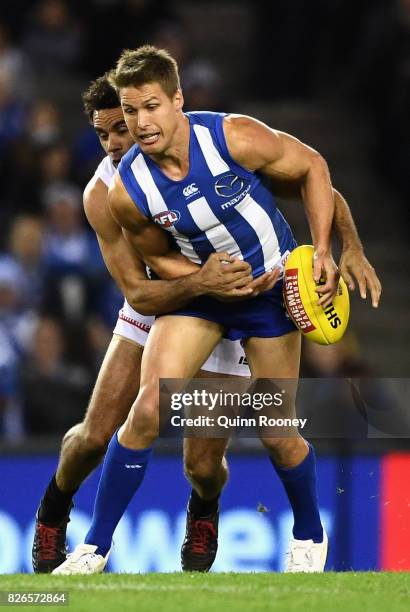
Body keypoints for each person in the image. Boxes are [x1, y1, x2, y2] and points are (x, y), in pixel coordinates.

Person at [52, 46, 381, 576]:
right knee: (149, 410)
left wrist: (327, 249)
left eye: (151, 106)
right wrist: (202, 279)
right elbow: (154, 257)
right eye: (131, 111)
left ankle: (308, 536)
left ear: (177, 100)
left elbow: (313, 167)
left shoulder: (233, 137)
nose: (140, 123)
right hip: (204, 297)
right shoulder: (126, 190)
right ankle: (92, 549)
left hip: (272, 291)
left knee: (277, 432)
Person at [32, 74, 269, 573]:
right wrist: (202, 281)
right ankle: (54, 508)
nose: (117, 143)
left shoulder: (207, 150)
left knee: (203, 466)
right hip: (158, 303)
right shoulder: (102, 195)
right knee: (94, 436)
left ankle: (204, 508)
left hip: (227, 306)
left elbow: (296, 179)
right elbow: (137, 292)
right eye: (104, 135)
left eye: (124, 126)